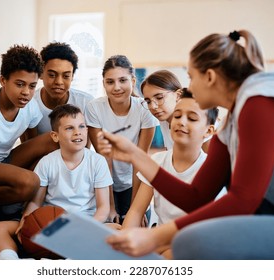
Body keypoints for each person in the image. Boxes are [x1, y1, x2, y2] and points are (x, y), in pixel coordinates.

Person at [96, 30, 274, 259]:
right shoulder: (231, 125)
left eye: (191, 76)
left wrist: (155, 237)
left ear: (209, 77)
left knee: (191, 241)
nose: (189, 87)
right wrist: (134, 155)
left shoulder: (260, 101)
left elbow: (244, 200)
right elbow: (196, 196)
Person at [0, 104, 112, 259]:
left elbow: (103, 208)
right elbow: (35, 203)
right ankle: (10, 261)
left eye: (82, 126)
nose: (77, 132)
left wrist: (84, 229)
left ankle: (71, 259)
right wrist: (26, 221)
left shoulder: (97, 162)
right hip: (49, 223)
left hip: (82, 222)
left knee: (118, 230)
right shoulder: (47, 162)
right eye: (69, 128)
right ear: (55, 136)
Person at [0, 44, 58, 223]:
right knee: (29, 181)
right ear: (3, 80)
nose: (26, 92)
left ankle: (12, 208)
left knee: (53, 141)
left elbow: (33, 146)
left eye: (32, 86)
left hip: (3, 160)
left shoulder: (30, 107)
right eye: (20, 84)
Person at [121, 89, 218, 258]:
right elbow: (136, 211)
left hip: (189, 242)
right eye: (178, 116)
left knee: (170, 254)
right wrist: (124, 239)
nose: (181, 122)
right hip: (159, 237)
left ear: (208, 131)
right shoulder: (158, 160)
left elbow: (202, 229)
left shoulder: (211, 169)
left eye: (192, 118)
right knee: (110, 231)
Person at [85, 55, 159, 224]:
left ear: (133, 81)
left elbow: (140, 159)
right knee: (108, 224)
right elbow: (105, 159)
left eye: (122, 80)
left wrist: (135, 210)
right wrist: (110, 206)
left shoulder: (143, 109)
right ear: (103, 83)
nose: (117, 87)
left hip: (133, 183)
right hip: (102, 182)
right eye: (110, 82)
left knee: (136, 223)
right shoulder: (94, 108)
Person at [22, 42, 94, 141]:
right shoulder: (28, 103)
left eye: (66, 76)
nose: (59, 82)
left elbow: (85, 150)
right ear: (41, 74)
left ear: (72, 76)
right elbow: (28, 147)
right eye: (52, 75)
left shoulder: (86, 103)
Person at [140, 70, 182, 151]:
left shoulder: (195, 122)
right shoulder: (164, 120)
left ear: (178, 95)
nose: (153, 106)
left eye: (159, 98)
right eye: (148, 102)